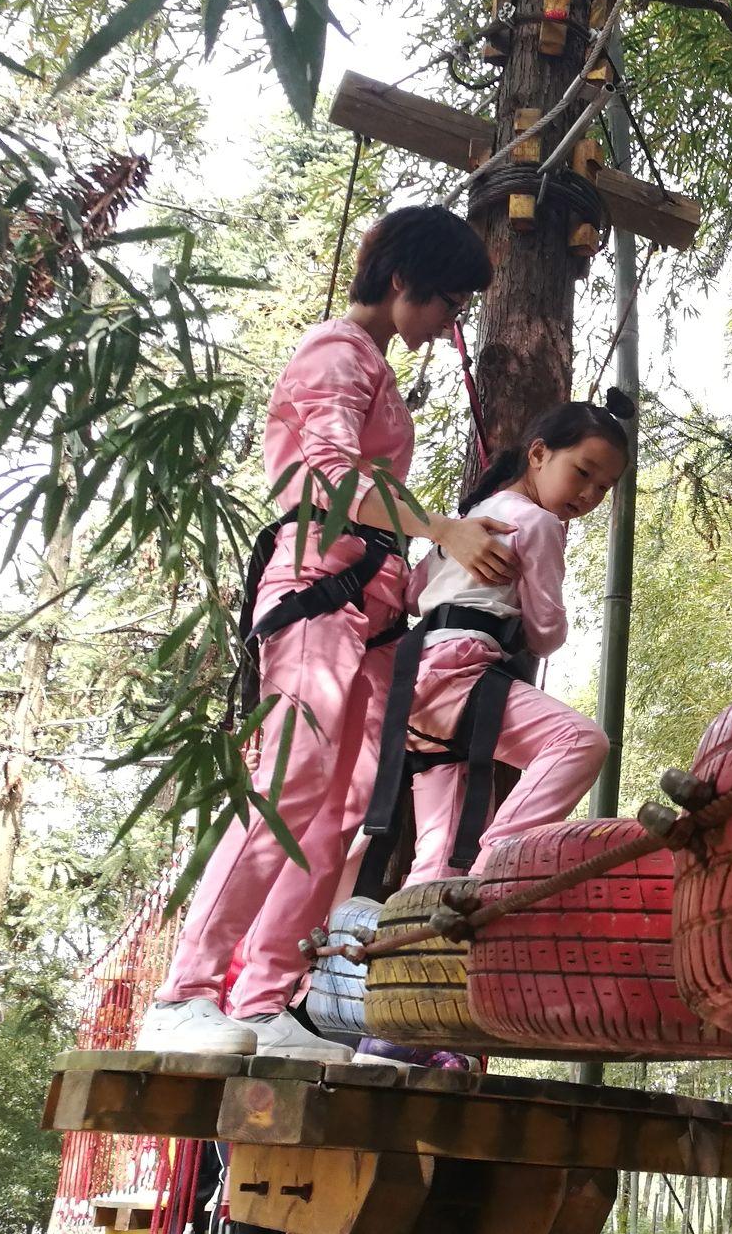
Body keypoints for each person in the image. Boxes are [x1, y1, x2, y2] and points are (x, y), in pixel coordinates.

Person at [138, 206, 518, 1058]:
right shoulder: (337, 355)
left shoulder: (373, 366)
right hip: (318, 591)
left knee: (339, 808)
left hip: (373, 608)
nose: (450, 321)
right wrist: (443, 531)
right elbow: (329, 476)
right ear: (400, 283)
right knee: (288, 783)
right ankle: (185, 991)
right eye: (449, 301)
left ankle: (267, 999)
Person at [349, 404, 626, 1066]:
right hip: (462, 671)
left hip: (411, 685)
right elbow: (548, 630)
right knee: (580, 743)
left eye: (600, 490)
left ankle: (395, 1034)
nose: (585, 496)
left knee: (435, 861)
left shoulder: (467, 520)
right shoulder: (539, 522)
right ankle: (503, 859)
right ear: (538, 455)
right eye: (581, 473)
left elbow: (415, 592)